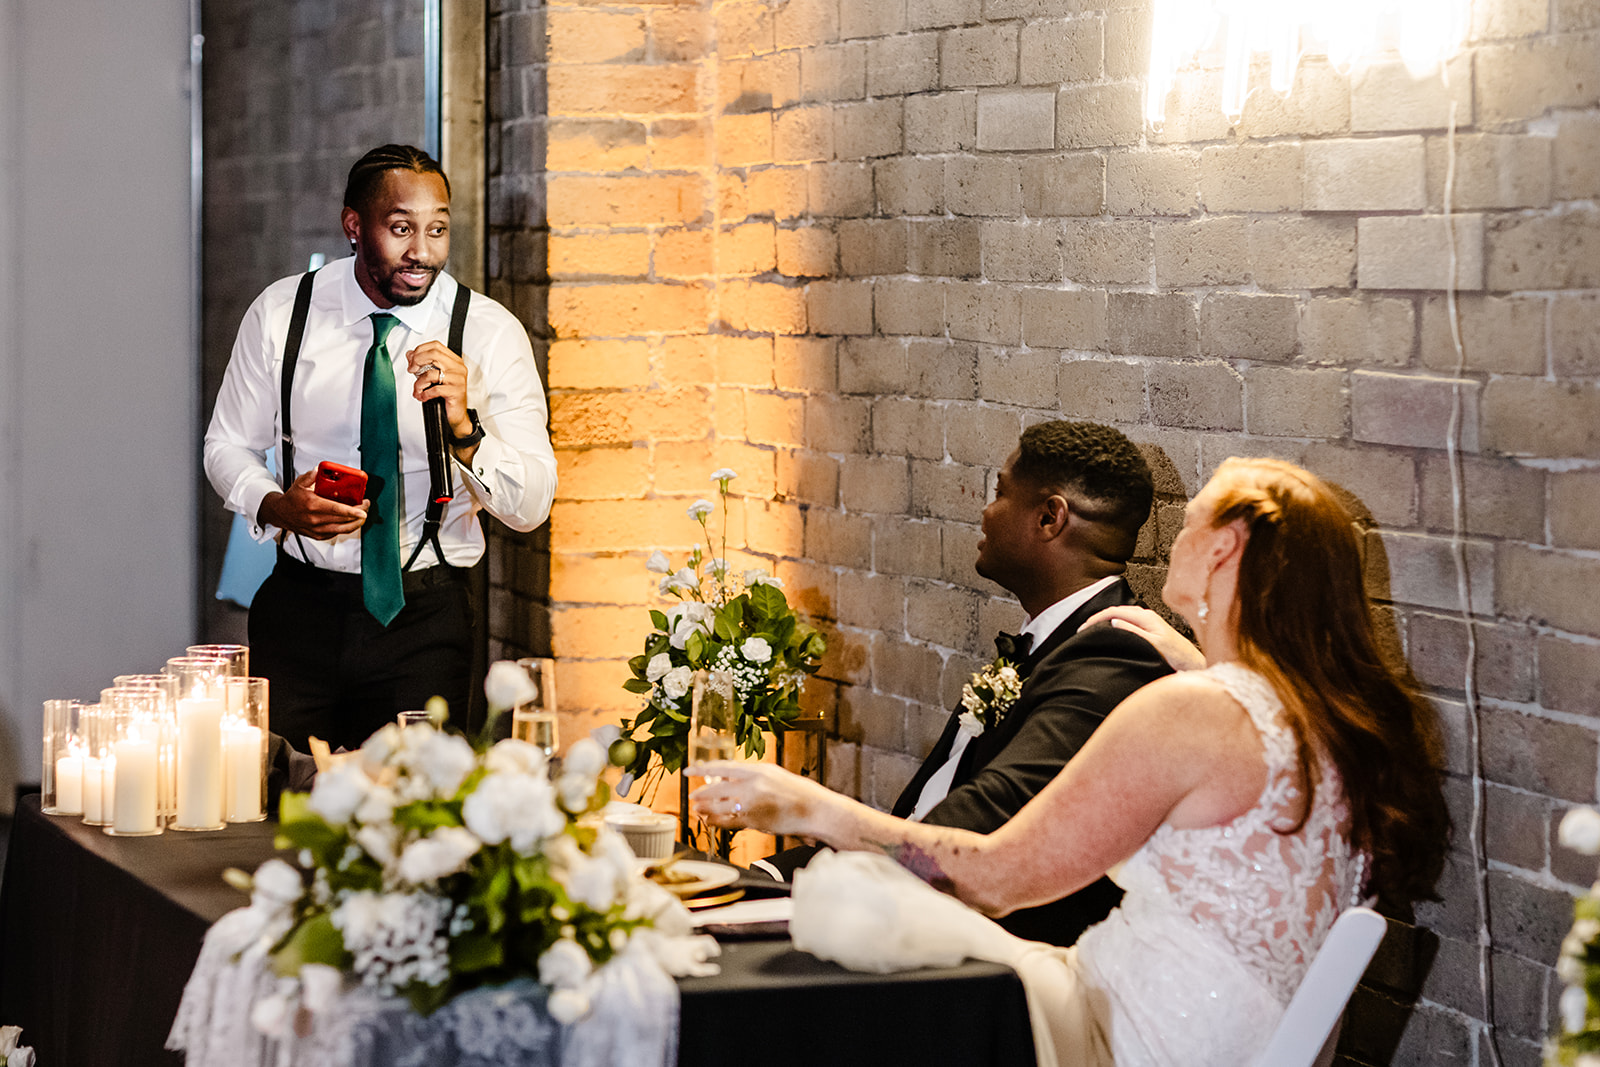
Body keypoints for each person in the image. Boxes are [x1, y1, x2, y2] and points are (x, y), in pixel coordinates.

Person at [692, 457, 1448, 1066]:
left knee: (861, 972)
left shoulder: (1193, 714)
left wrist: (808, 806)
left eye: (1188, 523)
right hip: (1235, 1042)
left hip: (1121, 1036)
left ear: (1224, 548)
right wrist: (1200, 663)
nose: (1172, 541)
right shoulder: (1327, 724)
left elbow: (992, 880)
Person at [761, 420, 1172, 947]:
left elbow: (971, 831)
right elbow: (922, 816)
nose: (985, 510)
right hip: (904, 896)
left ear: (1049, 518)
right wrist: (776, 875)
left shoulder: (1114, 656)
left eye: (1000, 492)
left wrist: (806, 809)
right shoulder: (1053, 639)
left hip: (965, 945)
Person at [205, 144, 556, 751]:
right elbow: (226, 445)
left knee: (414, 803)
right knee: (284, 797)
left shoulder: (488, 332)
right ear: (354, 226)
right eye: (401, 229)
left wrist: (465, 428)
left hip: (426, 621)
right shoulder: (283, 314)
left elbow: (531, 507)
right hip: (299, 612)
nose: (423, 251)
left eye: (437, 230)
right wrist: (277, 506)